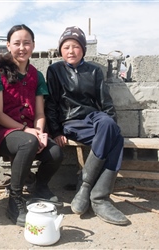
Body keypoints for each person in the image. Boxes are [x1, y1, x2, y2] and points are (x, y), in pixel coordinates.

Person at [45, 26, 130, 226]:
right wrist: (55, 130)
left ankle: (86, 187)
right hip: (71, 121)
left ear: (83, 49)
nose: (71, 51)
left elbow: (105, 101)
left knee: (111, 127)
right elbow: (51, 103)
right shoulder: (55, 70)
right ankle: (99, 196)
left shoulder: (93, 70)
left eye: (75, 46)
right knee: (116, 139)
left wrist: (110, 127)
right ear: (61, 51)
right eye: (66, 47)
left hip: (94, 118)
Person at [0, 24, 64, 227]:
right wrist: (27, 131)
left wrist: (39, 131)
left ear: (33, 45)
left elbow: (39, 112)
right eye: (17, 43)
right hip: (5, 133)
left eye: (26, 43)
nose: (22, 47)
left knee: (55, 152)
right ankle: (15, 198)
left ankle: (39, 187)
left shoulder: (36, 75)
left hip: (29, 132)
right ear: (8, 46)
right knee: (28, 141)